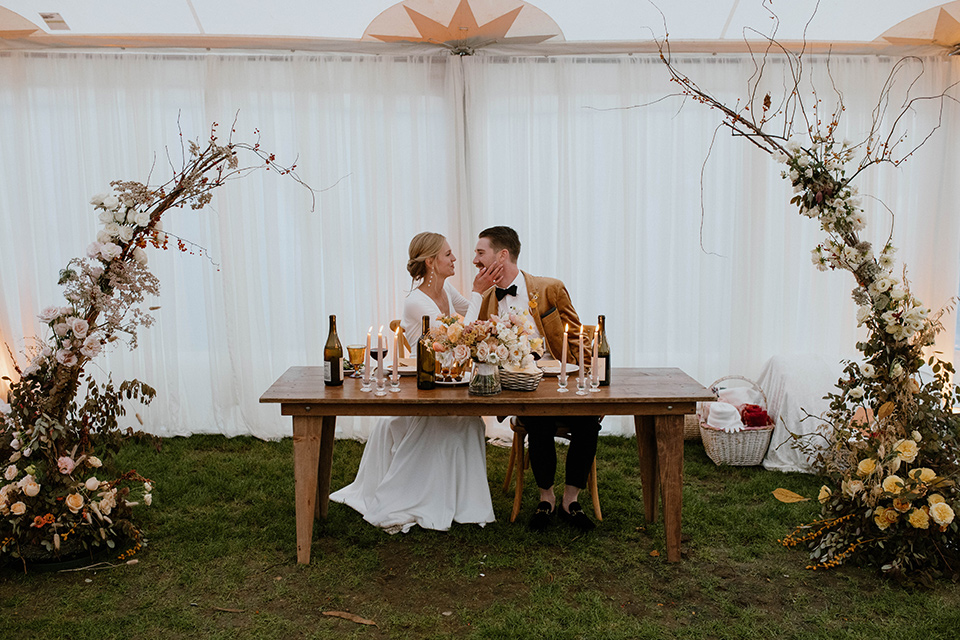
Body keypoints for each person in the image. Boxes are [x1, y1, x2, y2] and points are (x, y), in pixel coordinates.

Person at [329, 232, 501, 534]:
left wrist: (490, 287)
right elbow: (457, 338)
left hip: (448, 386)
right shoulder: (415, 303)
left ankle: (461, 501)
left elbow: (472, 315)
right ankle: (428, 497)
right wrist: (477, 292)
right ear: (431, 262)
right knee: (460, 424)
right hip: (425, 392)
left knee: (471, 422)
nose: (455, 259)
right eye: (448, 254)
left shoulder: (446, 291)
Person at [471, 226, 600, 532]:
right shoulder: (488, 298)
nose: (475, 259)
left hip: (561, 382)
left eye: (480, 252)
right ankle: (546, 499)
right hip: (521, 387)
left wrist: (577, 369)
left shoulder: (549, 288)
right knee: (538, 421)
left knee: (588, 421)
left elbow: (578, 337)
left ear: (502, 255)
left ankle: (572, 500)